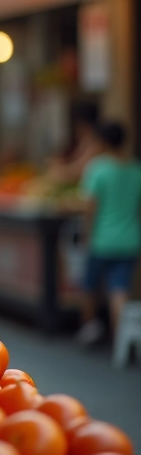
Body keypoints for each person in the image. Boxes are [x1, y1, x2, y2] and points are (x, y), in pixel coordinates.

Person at [76, 122, 141, 346]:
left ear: (103, 142)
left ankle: (90, 328)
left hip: (102, 239)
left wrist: (86, 235)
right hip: (130, 238)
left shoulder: (98, 169)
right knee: (119, 289)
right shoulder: (135, 169)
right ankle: (120, 338)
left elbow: (90, 207)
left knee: (89, 285)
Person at [48, 100, 102, 184]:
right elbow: (73, 161)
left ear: (83, 124)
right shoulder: (85, 142)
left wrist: (58, 168)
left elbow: (75, 172)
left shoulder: (95, 145)